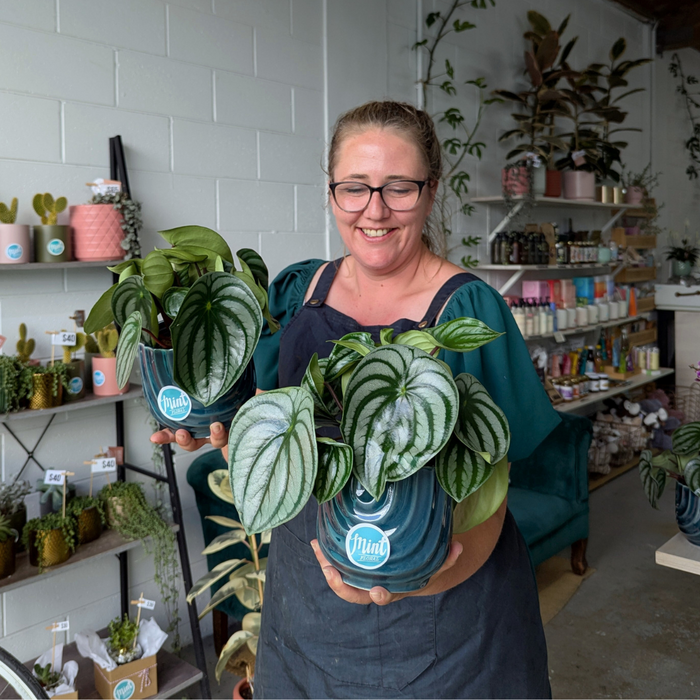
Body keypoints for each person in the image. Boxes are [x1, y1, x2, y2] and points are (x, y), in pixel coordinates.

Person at [153, 100, 561, 698]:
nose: (375, 210)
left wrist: (407, 580)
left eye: (399, 188)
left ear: (430, 191)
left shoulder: (467, 311)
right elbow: (271, 421)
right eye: (355, 188)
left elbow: (490, 496)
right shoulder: (299, 293)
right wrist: (216, 424)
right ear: (331, 192)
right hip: (305, 614)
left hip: (441, 625)